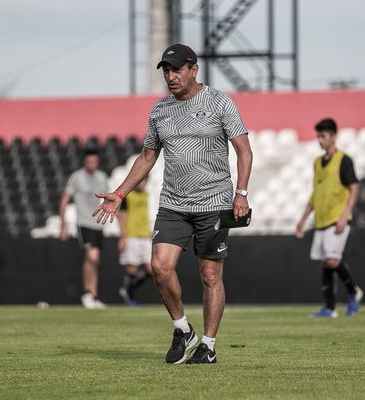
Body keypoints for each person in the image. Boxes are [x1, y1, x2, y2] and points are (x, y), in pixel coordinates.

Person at [92, 43, 252, 364]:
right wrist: (120, 193)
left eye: (177, 69)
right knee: (159, 267)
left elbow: (244, 151)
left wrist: (242, 193)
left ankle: (207, 345)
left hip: (214, 203)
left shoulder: (220, 102)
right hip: (174, 203)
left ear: (194, 69)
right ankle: (183, 329)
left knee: (210, 276)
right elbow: (148, 155)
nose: (171, 75)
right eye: (166, 70)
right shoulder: (159, 110)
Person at [295, 118, 363, 318]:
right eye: (318, 136)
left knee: (332, 260)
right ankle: (330, 308)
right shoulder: (317, 162)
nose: (320, 140)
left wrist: (344, 216)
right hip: (321, 219)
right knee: (326, 262)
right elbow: (315, 194)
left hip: (337, 218)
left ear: (334, 136)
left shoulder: (344, 159)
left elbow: (354, 188)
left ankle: (354, 292)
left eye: (323, 136)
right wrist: (303, 219)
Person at [59, 147, 109, 309]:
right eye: (89, 161)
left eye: (94, 161)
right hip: (84, 223)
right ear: (84, 162)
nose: (92, 164)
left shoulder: (102, 177)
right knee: (92, 257)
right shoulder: (77, 177)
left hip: (98, 225)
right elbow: (65, 200)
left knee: (95, 259)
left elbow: (108, 198)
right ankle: (87, 293)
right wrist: (63, 224)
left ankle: (93, 295)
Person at [117, 177, 152, 306]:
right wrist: (122, 237)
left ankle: (127, 289)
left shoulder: (147, 195)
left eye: (144, 181)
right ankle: (130, 298)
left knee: (152, 269)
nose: (142, 183)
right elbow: (121, 216)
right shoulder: (128, 196)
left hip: (145, 235)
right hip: (131, 236)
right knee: (132, 270)